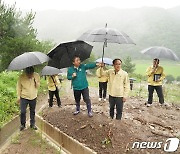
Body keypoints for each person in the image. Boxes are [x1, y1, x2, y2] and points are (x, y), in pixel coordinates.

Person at [17, 66, 40, 131]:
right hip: (24, 97)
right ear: (26, 73)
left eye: (31, 74)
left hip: (33, 96)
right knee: (23, 111)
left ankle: (32, 124)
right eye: (28, 74)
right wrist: (18, 96)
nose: (29, 76)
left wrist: (35, 81)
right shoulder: (21, 77)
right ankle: (23, 125)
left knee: (32, 111)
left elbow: (38, 86)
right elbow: (19, 87)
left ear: (33, 73)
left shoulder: (36, 75)